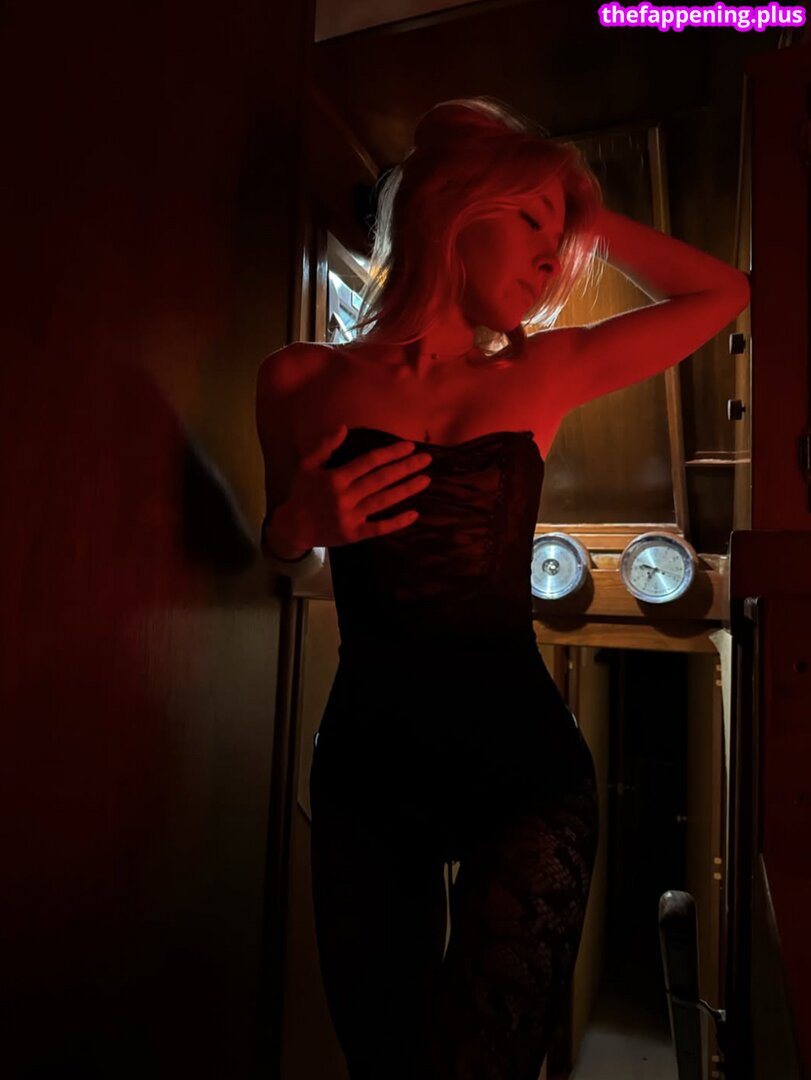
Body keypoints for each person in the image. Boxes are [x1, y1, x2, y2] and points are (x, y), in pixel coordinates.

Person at [255, 97, 749, 1080]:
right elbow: (289, 557)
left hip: (522, 774)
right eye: (530, 221)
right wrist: (295, 527)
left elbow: (721, 294)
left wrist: (587, 216)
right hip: (366, 771)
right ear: (450, 209)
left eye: (559, 238)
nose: (550, 258)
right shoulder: (299, 379)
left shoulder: (541, 371)